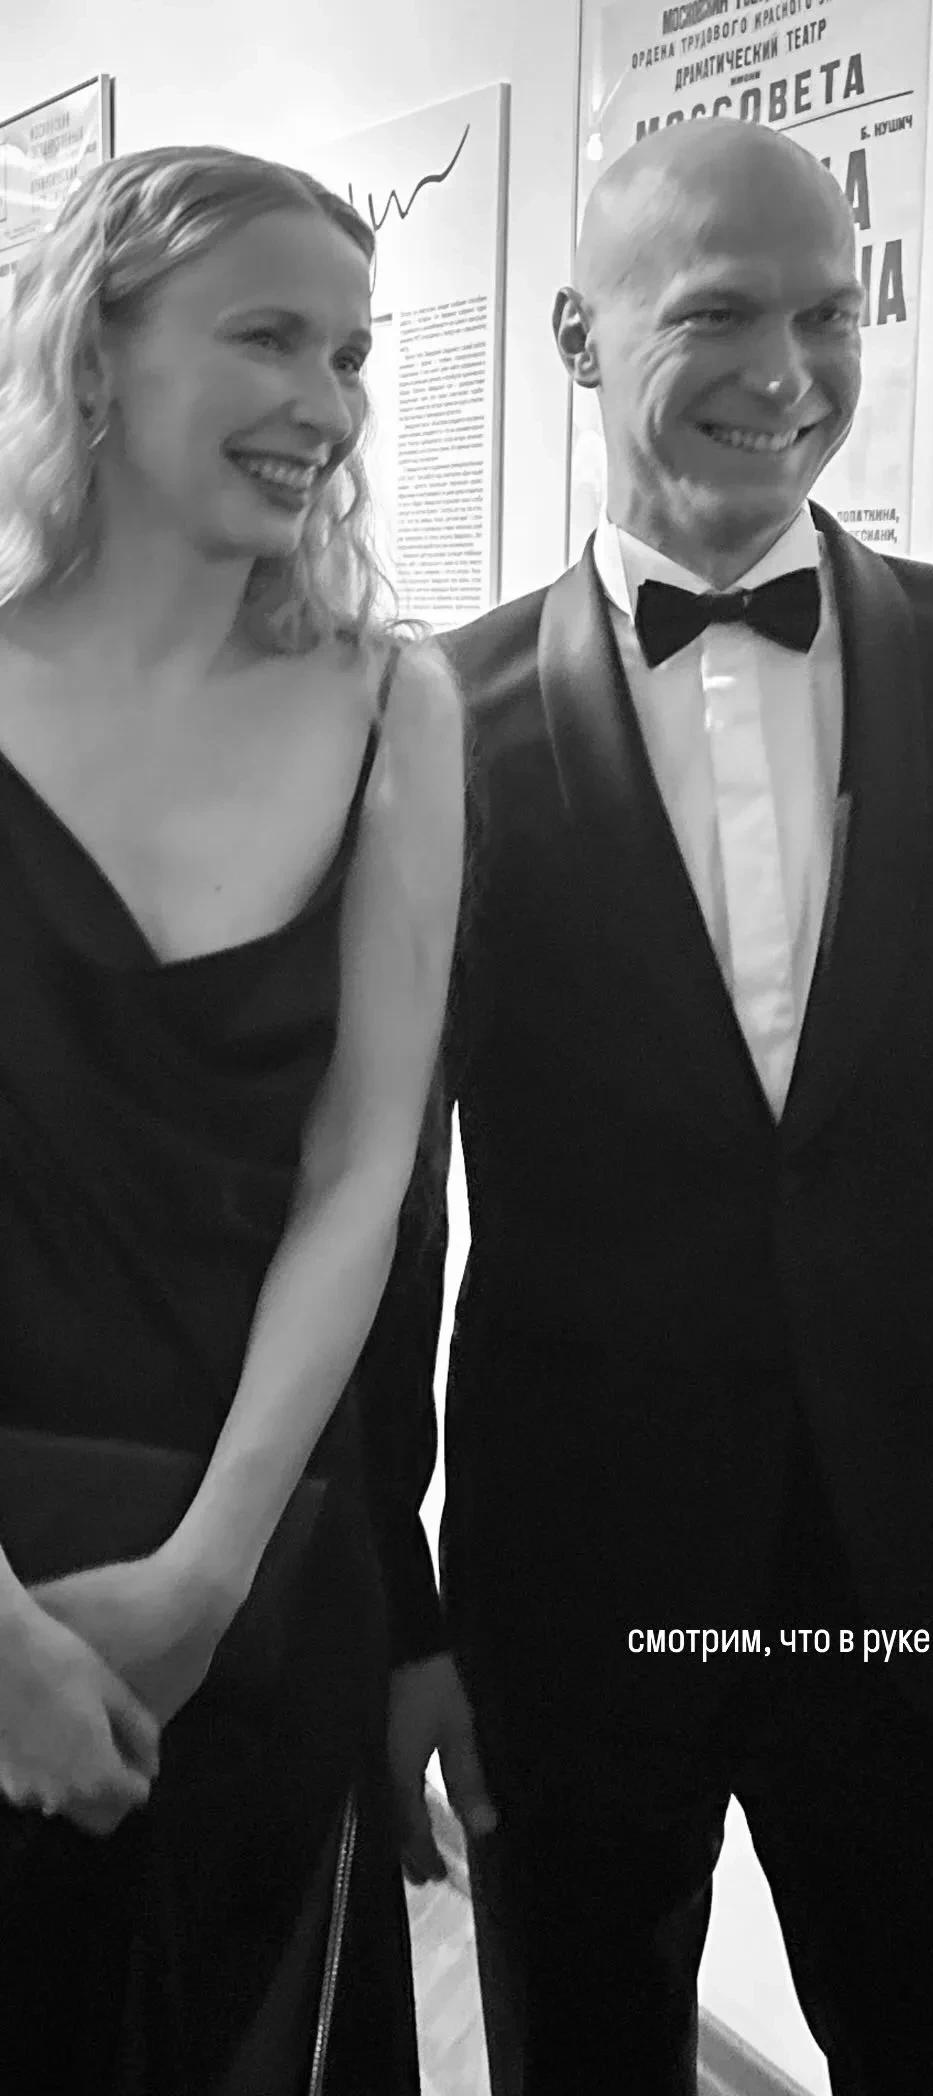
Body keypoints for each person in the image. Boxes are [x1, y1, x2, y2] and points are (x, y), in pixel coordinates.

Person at [360, 116, 933, 2095]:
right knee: (579, 2052)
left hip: (931, 1573)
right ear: (578, 333)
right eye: (717, 313)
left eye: (828, 315)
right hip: (572, 1583)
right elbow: (378, 1201)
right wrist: (393, 1615)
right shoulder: (423, 721)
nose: (785, 371)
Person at [0, 144, 463, 2094]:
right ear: (94, 351)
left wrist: (206, 1571)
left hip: (265, 1557)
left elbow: (364, 1170)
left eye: (350, 354)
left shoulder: (394, 706)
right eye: (268, 335)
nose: (326, 404)